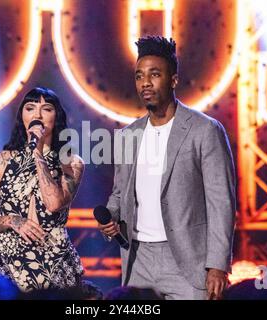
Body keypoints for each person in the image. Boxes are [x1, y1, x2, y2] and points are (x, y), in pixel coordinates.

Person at [98, 36, 236, 300]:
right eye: (139, 76)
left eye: (154, 74)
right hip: (137, 259)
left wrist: (218, 264)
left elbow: (222, 202)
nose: (145, 83)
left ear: (173, 80)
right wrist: (111, 216)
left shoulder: (204, 130)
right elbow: (119, 193)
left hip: (187, 260)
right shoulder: (128, 135)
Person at [0, 87, 84, 292]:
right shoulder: (1, 161)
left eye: (46, 109)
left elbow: (54, 204)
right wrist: (12, 220)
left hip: (53, 261)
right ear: (22, 116)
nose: (37, 114)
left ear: (56, 117)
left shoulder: (71, 163)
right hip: (6, 261)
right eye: (30, 108)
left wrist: (37, 152)